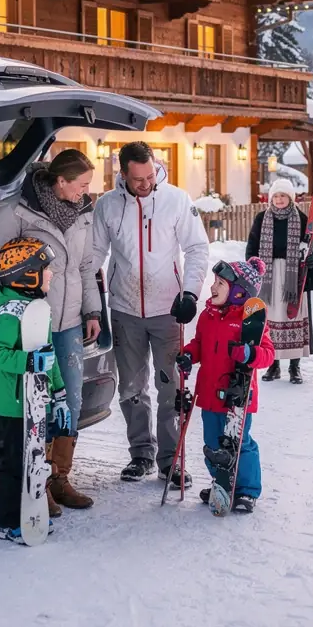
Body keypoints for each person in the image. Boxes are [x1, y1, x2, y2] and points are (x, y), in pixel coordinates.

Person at [0, 149, 100, 510]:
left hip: (69, 323)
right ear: (60, 181)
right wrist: (7, 307)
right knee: (38, 405)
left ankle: (59, 478)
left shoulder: (82, 214)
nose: (85, 191)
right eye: (81, 184)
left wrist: (92, 309)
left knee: (71, 402)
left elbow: (85, 266)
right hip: (32, 323)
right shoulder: (16, 210)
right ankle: (37, 482)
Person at [93, 141, 210, 486]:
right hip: (125, 309)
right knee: (131, 387)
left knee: (171, 387)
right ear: (123, 173)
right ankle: (141, 454)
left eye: (149, 176)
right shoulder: (108, 206)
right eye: (137, 178)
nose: (145, 183)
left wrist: (189, 292)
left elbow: (197, 248)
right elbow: (94, 257)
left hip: (168, 309)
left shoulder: (176, 200)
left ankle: (171, 461)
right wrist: (94, 305)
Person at [0, 237, 72, 543]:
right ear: (27, 275)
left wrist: (59, 394)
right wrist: (28, 360)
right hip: (13, 402)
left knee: (34, 461)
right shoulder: (10, 313)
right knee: (15, 463)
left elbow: (49, 358)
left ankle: (27, 513)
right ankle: (6, 523)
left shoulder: (37, 309)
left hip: (35, 401)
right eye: (46, 269)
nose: (51, 274)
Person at [176, 258, 275, 513]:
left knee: (240, 444)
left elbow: (267, 354)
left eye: (220, 283)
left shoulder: (248, 320)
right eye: (215, 282)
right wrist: (188, 355)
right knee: (212, 443)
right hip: (209, 395)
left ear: (239, 291)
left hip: (237, 398)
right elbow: (199, 343)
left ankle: (246, 490)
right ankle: (222, 482)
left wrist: (249, 354)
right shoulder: (208, 316)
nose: (213, 287)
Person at [244, 177, 313, 385]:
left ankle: (294, 366)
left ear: (290, 198)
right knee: (270, 321)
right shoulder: (262, 218)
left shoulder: (300, 217)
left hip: (293, 276)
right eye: (276, 196)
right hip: (269, 277)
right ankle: (273, 365)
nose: (279, 199)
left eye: (283, 196)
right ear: (271, 198)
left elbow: (309, 243)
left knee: (292, 317)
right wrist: (253, 266)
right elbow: (252, 247)